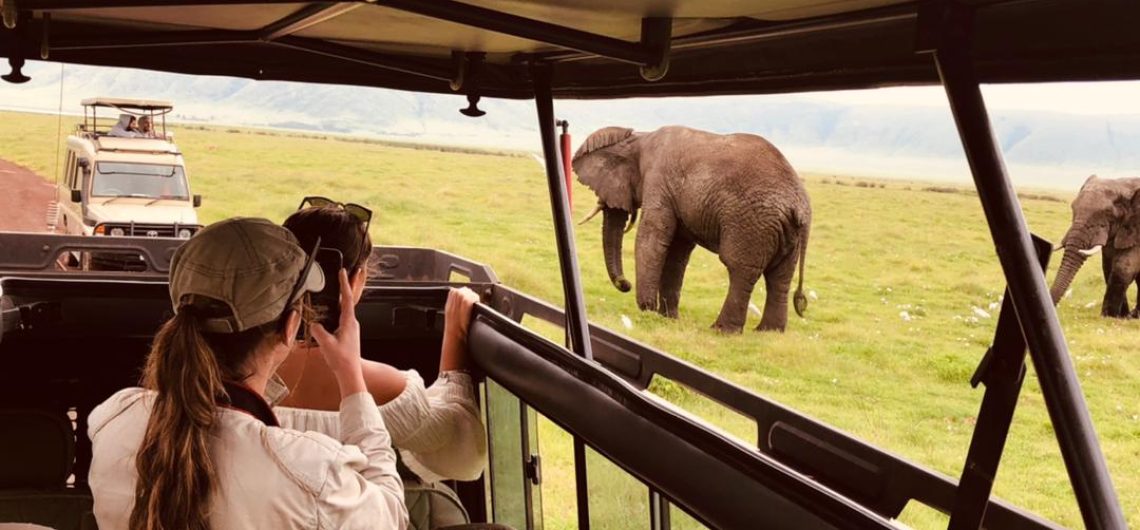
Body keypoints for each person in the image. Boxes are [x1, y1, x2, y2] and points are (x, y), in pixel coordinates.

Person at [87, 217, 409, 530]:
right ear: (290, 326)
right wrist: (351, 376)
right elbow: (391, 514)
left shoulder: (113, 419)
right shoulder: (310, 474)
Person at [273, 198, 488, 483]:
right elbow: (463, 459)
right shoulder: (387, 388)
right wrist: (455, 336)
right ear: (355, 281)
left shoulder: (240, 371)